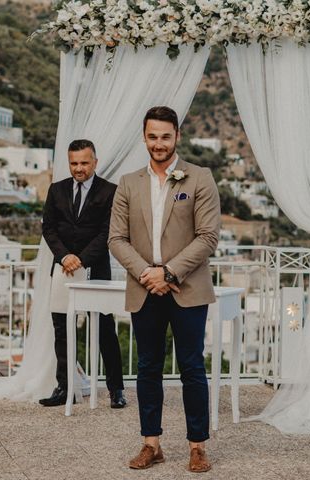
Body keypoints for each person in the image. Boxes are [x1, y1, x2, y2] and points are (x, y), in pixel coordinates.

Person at [108, 106, 221, 473]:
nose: (159, 143)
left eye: (165, 136)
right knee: (147, 367)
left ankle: (198, 446)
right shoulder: (128, 183)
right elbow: (116, 238)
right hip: (145, 289)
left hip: (187, 288)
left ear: (177, 137)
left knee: (192, 368)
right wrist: (146, 273)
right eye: (152, 136)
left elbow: (208, 237)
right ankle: (151, 444)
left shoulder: (199, 178)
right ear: (145, 137)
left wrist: (168, 272)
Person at [40, 139, 126, 408]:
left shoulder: (111, 191)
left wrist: (82, 259)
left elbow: (108, 231)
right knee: (62, 329)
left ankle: (116, 390)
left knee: (104, 330)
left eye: (84, 163)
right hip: (62, 269)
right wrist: (64, 256)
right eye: (74, 163)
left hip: (94, 270)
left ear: (95, 162)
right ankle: (65, 388)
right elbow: (49, 227)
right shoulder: (56, 190)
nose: (79, 168)